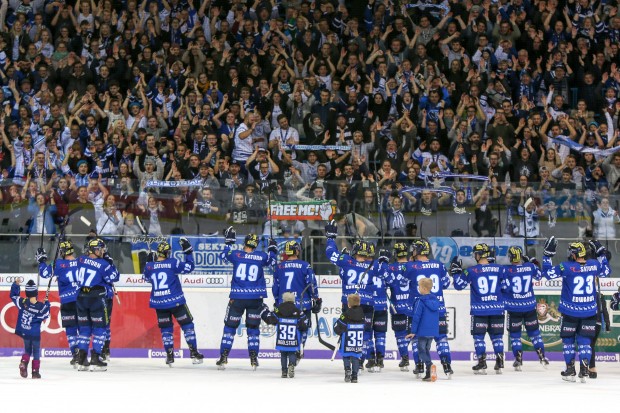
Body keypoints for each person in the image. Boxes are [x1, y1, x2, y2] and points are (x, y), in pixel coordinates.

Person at [541, 237, 611, 382]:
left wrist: (547, 255)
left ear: (574, 254)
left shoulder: (565, 267)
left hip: (570, 312)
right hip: (590, 312)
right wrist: (601, 253)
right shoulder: (593, 265)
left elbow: (547, 274)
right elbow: (606, 271)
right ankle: (584, 369)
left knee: (568, 341)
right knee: (585, 342)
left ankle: (570, 369)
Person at [324, 219, 389, 370]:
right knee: (365, 333)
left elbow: (330, 253)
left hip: (350, 303)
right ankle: (361, 360)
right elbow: (385, 272)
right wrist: (384, 258)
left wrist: (330, 238)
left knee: (348, 330)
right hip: (367, 303)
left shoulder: (347, 261)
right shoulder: (373, 265)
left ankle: (353, 359)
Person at [216, 226, 277, 370]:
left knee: (230, 328)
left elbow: (223, 255)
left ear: (245, 243)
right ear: (255, 245)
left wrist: (229, 241)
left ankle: (223, 357)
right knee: (253, 328)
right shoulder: (261, 256)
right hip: (255, 298)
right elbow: (273, 261)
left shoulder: (237, 255)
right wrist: (272, 247)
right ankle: (254, 358)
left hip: (237, 298)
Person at [142, 238, 203, 366]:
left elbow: (146, 278)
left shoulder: (150, 266)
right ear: (168, 253)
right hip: (175, 302)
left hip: (159, 303)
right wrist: (188, 251)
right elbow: (189, 267)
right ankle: (193, 352)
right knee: (187, 325)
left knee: (166, 329)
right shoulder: (172, 263)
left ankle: (169, 355)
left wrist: (149, 262)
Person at [451, 243, 508, 374]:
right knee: (497, 337)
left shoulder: (471, 271)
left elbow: (458, 286)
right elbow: (506, 288)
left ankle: (482, 363)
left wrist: (456, 272)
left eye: (475, 253)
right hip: (497, 309)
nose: (474, 256)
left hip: (479, 310)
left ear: (479, 255)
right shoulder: (500, 269)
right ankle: (500, 361)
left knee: (478, 337)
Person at [404, 239, 453, 378]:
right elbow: (446, 283)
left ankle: (420, 365)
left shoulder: (411, 266)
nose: (412, 251)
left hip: (418, 308)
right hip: (438, 308)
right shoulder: (439, 265)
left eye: (414, 249)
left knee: (417, 339)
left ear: (418, 251)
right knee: (441, 339)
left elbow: (402, 282)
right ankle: (447, 366)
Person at [272, 240, 321, 364]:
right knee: (304, 328)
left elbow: (275, 287)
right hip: (302, 304)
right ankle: (299, 349)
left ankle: (286, 352)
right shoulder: (305, 265)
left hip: (283, 304)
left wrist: (277, 301)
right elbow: (311, 284)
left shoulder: (279, 267)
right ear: (297, 250)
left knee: (285, 327)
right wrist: (316, 298)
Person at [75, 238, 120, 371]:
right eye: (100, 249)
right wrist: (110, 264)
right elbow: (114, 277)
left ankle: (82, 360)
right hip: (96, 298)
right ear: (94, 250)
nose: (102, 251)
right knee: (100, 329)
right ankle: (96, 359)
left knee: (84, 330)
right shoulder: (103, 264)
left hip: (81, 297)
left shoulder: (80, 260)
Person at [502, 246, 549, 370]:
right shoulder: (530, 267)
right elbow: (539, 276)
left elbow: (503, 287)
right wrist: (533, 262)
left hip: (513, 308)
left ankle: (518, 358)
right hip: (529, 306)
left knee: (515, 335)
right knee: (535, 334)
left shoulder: (506, 270)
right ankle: (542, 356)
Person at [37, 241, 80, 367]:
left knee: (71, 329)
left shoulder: (58, 264)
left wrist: (41, 260)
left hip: (67, 301)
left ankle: (75, 354)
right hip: (82, 300)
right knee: (83, 328)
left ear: (61, 252)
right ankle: (83, 354)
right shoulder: (81, 262)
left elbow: (44, 273)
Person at [260, 292, 309, 378]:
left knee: (283, 354)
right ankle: (291, 365)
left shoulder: (278, 310)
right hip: (293, 338)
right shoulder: (298, 311)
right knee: (292, 353)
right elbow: (304, 324)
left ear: (284, 300)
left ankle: (284, 371)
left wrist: (264, 310)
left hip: (281, 338)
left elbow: (271, 319)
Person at [10, 280, 50, 379]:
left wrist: (16, 285)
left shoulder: (22, 302)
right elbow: (46, 315)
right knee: (36, 352)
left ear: (26, 293)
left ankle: (23, 362)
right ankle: (35, 372)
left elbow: (13, 296)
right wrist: (47, 304)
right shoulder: (41, 307)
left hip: (24, 331)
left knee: (27, 350)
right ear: (36, 293)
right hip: (35, 334)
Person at [384, 242, 413, 371]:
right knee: (415, 333)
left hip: (397, 306)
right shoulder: (413, 266)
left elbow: (384, 283)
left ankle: (405, 358)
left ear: (395, 254)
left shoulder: (390, 267)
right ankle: (419, 362)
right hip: (413, 305)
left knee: (400, 334)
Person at [406, 278, 440, 382]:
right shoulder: (436, 301)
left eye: (419, 286)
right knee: (426, 350)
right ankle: (428, 372)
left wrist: (413, 331)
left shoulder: (420, 301)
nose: (418, 288)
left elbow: (416, 317)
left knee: (421, 351)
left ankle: (430, 366)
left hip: (422, 331)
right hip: (432, 332)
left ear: (424, 288)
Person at [334, 293, 365, 383]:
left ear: (349, 304)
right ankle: (354, 376)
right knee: (355, 357)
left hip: (347, 340)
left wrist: (339, 332)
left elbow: (338, 326)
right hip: (357, 341)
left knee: (346, 355)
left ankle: (347, 369)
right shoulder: (362, 314)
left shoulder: (346, 314)